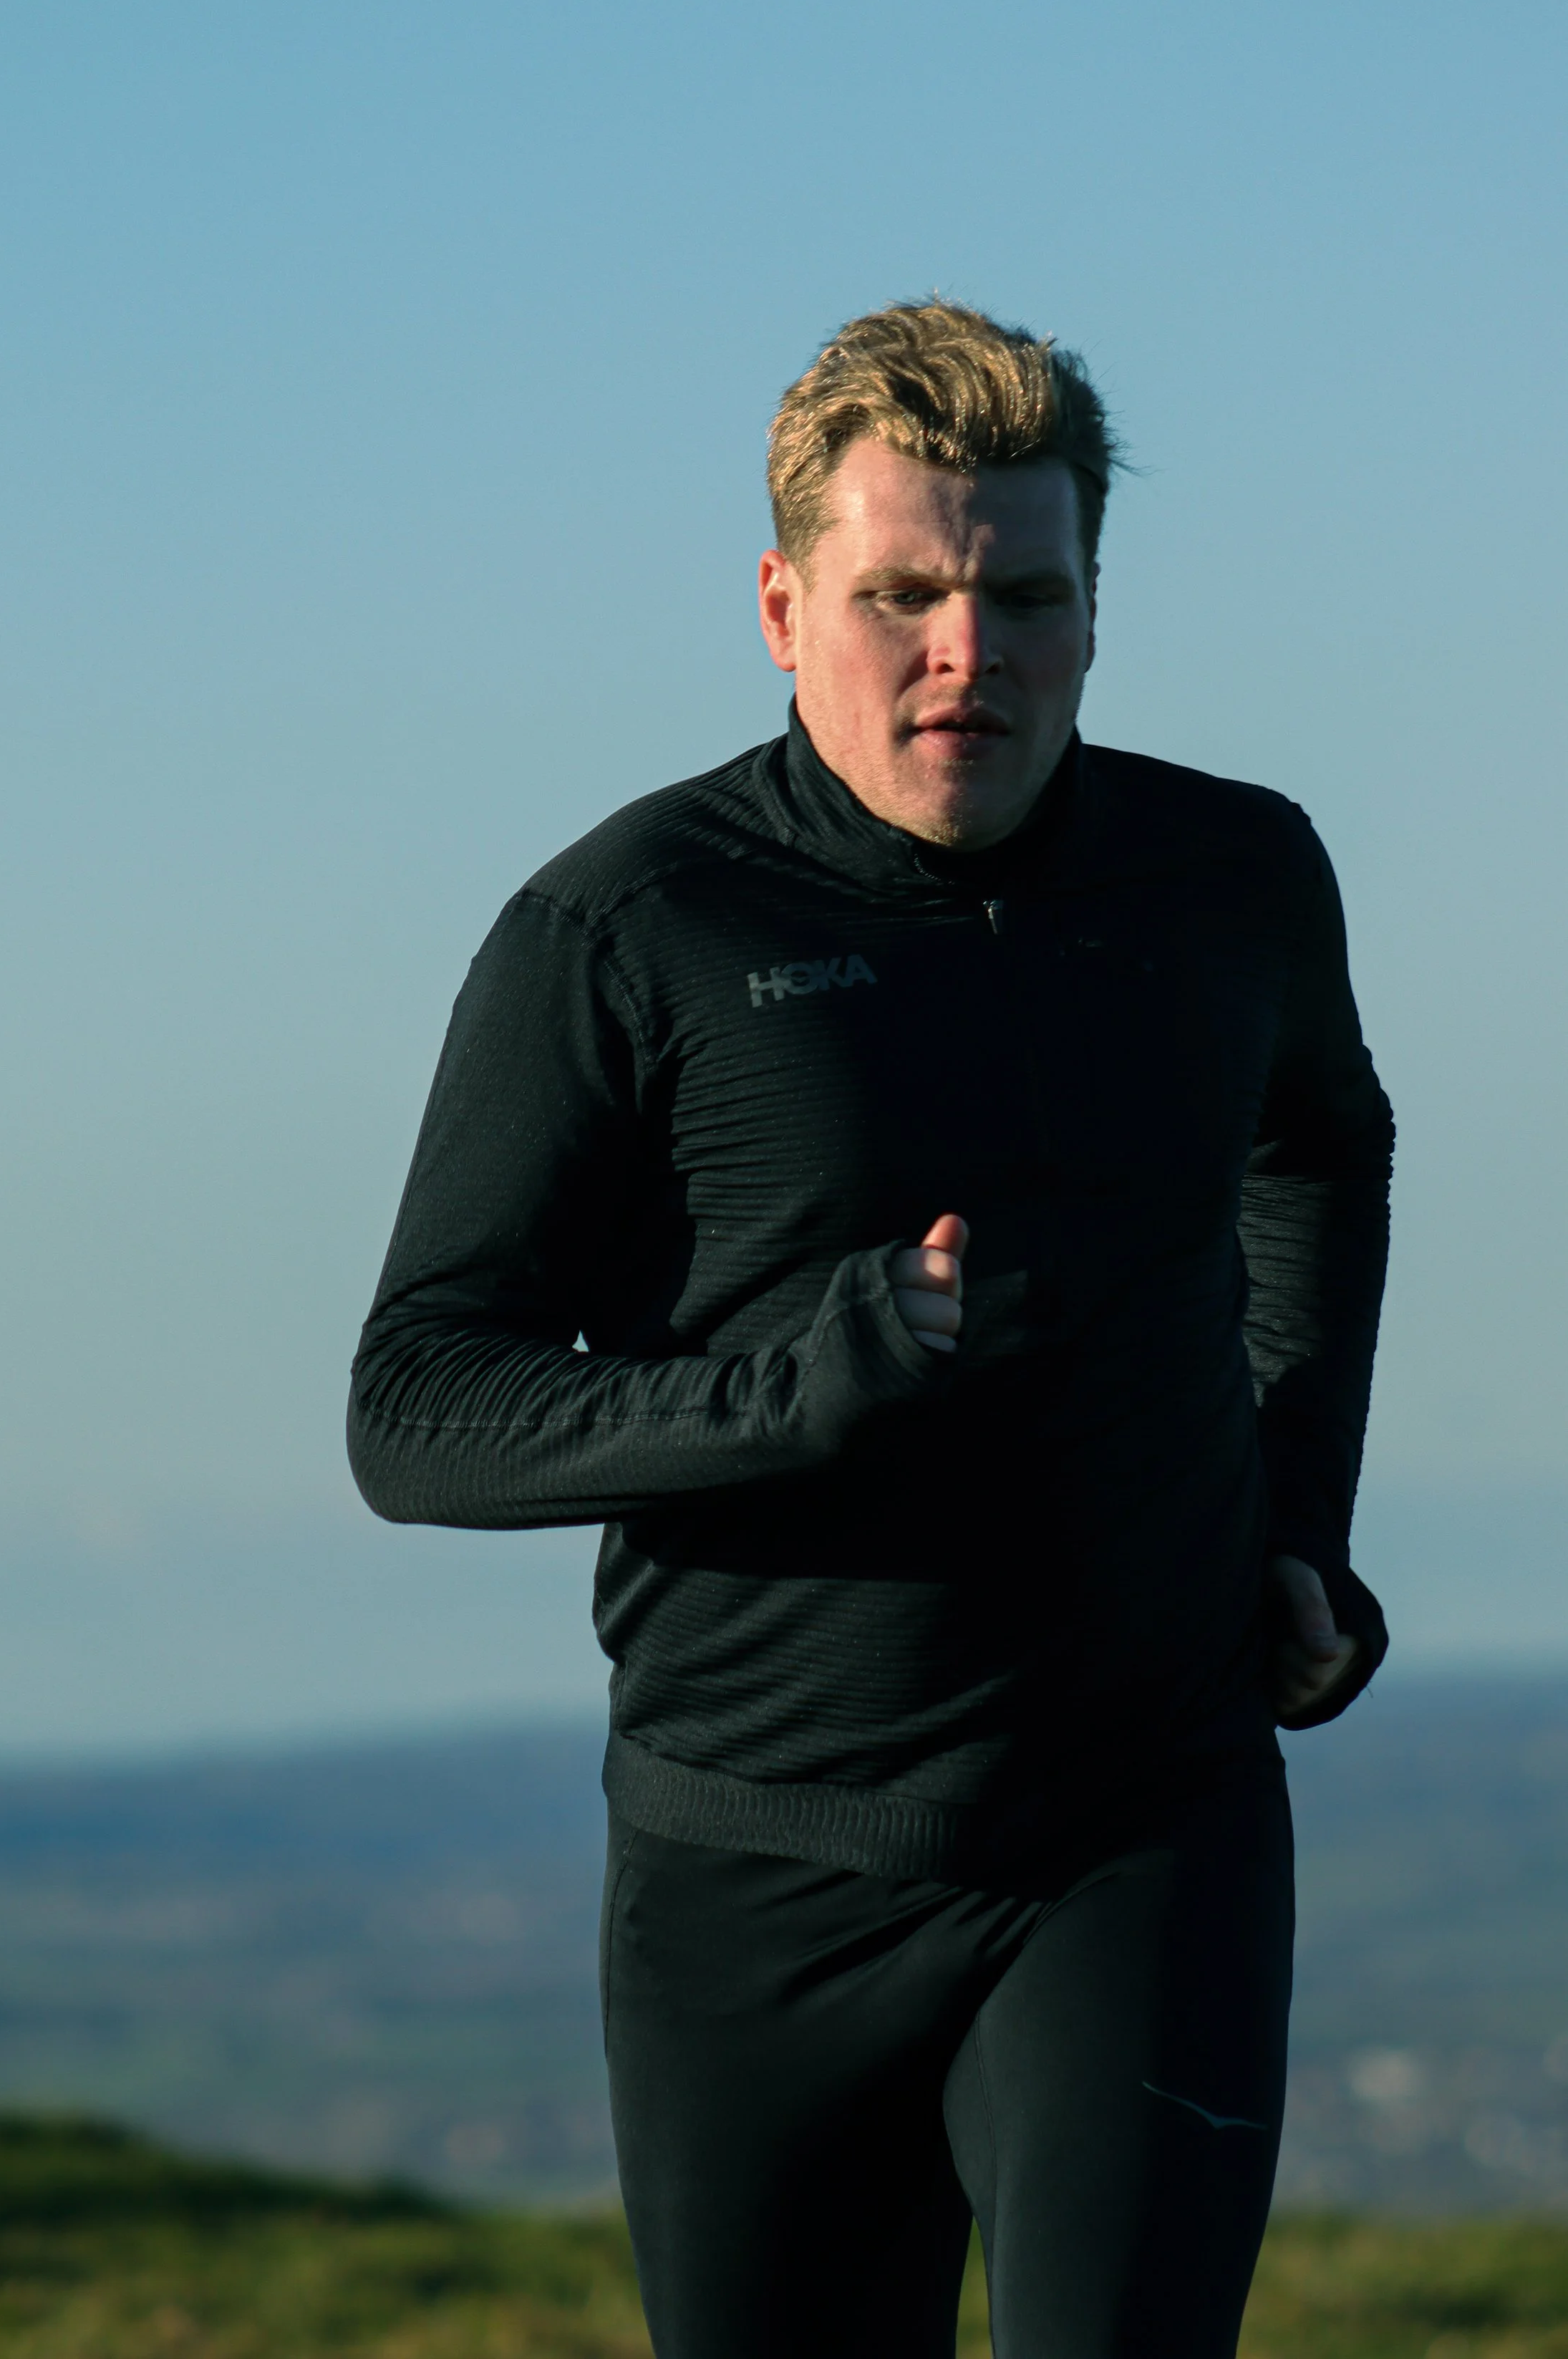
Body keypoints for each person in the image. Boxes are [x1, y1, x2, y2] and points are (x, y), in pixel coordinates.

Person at [348, 302, 1393, 2358]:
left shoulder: (1231, 875)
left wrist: (1294, 1511)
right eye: (898, 593)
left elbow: (1320, 1150)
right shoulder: (629, 927)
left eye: (1023, 594)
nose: (965, 654)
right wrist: (796, 1386)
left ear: (1092, 603)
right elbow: (416, 1407)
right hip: (755, 1863)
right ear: (777, 603)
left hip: (1137, 1822)